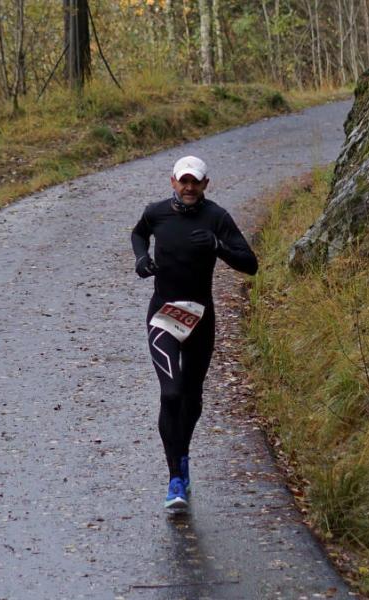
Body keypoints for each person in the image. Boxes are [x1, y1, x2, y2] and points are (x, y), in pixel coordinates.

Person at [130, 155, 258, 511]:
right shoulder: (156, 212)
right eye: (183, 181)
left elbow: (251, 265)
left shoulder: (216, 217)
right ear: (172, 181)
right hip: (164, 315)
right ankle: (175, 480)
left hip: (201, 317)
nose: (188, 188)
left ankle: (182, 454)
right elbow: (139, 233)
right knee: (171, 394)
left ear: (205, 184)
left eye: (195, 182)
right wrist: (141, 260)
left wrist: (218, 246)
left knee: (192, 397)